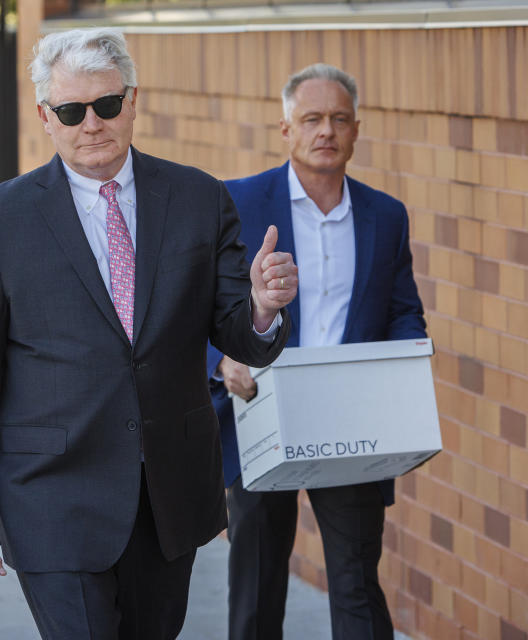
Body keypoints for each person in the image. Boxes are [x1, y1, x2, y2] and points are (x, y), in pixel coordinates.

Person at [0, 28, 297, 639]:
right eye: (72, 111)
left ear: (132, 100)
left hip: (168, 495)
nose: (92, 124)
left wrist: (263, 307)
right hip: (52, 496)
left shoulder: (198, 198)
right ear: (47, 116)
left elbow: (239, 332)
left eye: (106, 105)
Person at [207, 63, 427, 640]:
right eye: (311, 118)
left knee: (356, 582)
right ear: (285, 128)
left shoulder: (385, 215)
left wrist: (407, 356)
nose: (325, 130)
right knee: (256, 586)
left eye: (338, 119)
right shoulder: (239, 202)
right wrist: (222, 360)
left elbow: (402, 305)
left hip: (351, 421)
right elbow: (202, 307)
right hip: (261, 413)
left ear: (356, 130)